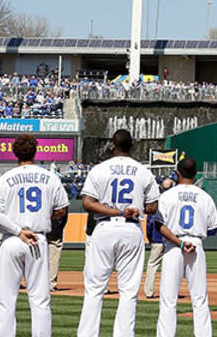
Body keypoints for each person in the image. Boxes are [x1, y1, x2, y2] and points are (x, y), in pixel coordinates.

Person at [78, 129, 161, 337]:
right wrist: (136, 207)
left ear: (113, 146)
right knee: (129, 291)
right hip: (131, 228)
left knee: (94, 289)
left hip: (104, 227)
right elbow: (153, 207)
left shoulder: (100, 169)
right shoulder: (143, 171)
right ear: (131, 146)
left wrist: (116, 210)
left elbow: (88, 203)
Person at [0, 133, 69, 337]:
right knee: (40, 299)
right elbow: (62, 209)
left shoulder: (4, 178)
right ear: (36, 151)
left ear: (15, 153)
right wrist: (45, 213)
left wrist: (17, 230)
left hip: (12, 239)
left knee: (6, 300)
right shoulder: (50, 177)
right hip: (37, 238)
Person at [155, 157, 217, 337]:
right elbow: (213, 229)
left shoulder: (167, 195)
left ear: (177, 173)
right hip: (196, 244)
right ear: (195, 174)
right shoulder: (205, 197)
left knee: (169, 299)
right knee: (199, 299)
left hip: (174, 246)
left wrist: (180, 242)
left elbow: (159, 225)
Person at [143, 180, 173, 299]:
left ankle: (149, 291)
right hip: (171, 239)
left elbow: (150, 223)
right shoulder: (174, 202)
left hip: (158, 239)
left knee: (152, 265)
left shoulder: (156, 203)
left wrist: (150, 237)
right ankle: (170, 292)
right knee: (170, 266)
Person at [47, 223, 66, 292]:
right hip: (54, 233)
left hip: (37, 231)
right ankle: (50, 285)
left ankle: (35, 283)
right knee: (54, 259)